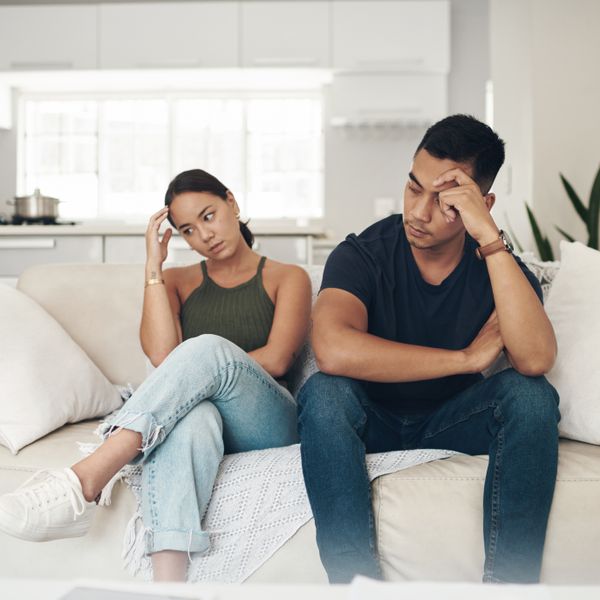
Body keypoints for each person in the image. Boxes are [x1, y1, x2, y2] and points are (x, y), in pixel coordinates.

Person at [0, 168, 311, 582]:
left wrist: (211, 364)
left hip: (268, 420)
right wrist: (153, 265)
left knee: (204, 350)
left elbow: (276, 360)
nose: (205, 234)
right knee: (192, 417)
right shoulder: (178, 280)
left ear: (232, 203)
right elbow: (164, 355)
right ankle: (169, 585)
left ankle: (87, 478)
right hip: (206, 419)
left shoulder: (288, 276)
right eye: (187, 229)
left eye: (209, 215)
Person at [297, 114, 560, 584]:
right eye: (414, 188)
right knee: (323, 393)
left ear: (482, 203)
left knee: (531, 395)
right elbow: (333, 349)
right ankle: (356, 589)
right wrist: (464, 359)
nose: (418, 212)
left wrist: (491, 242)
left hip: (453, 421)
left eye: (445, 202)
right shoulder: (363, 253)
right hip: (370, 419)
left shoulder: (498, 268)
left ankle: (510, 591)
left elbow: (535, 360)